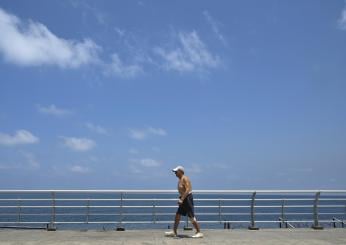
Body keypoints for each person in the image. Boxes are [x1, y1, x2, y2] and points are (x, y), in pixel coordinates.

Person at [165, 165, 203, 238]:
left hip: (187, 199)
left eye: (176, 171)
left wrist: (182, 199)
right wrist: (181, 198)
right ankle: (174, 231)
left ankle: (199, 232)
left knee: (191, 216)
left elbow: (188, 189)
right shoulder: (180, 179)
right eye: (174, 172)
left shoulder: (185, 178)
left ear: (180, 171)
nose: (175, 173)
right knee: (178, 215)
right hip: (183, 199)